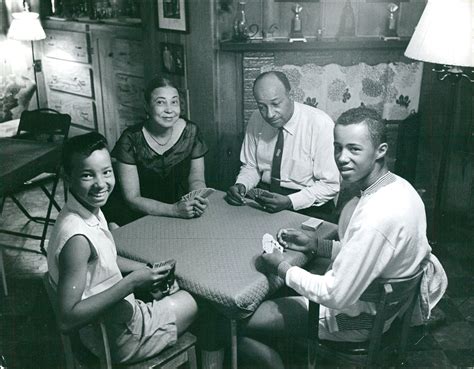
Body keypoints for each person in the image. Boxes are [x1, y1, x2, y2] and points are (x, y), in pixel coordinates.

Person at [238, 106, 448, 368]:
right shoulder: (399, 186)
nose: (342, 157)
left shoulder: (377, 216)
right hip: (390, 308)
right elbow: (369, 255)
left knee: (237, 324)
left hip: (358, 320)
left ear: (380, 150)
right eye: (338, 147)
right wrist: (317, 245)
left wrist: (282, 266)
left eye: (354, 149)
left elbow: (334, 295)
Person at [46, 132, 198, 364]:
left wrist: (145, 269)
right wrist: (133, 282)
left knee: (169, 290)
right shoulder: (77, 240)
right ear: (67, 177)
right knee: (197, 302)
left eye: (106, 172)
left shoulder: (80, 211)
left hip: (106, 325)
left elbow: (104, 260)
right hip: (116, 339)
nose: (100, 184)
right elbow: (66, 319)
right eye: (87, 175)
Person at [226, 71, 340, 221]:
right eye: (262, 106)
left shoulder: (320, 123)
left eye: (275, 104)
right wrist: (242, 185)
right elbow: (251, 166)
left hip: (308, 205)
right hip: (265, 199)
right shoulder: (256, 118)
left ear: (290, 95)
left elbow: (330, 185)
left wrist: (290, 202)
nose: (269, 114)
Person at [103, 77, 209, 226]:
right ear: (147, 107)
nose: (169, 110)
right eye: (160, 102)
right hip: (137, 212)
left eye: (174, 102)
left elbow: (196, 179)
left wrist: (197, 199)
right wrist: (174, 210)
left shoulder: (192, 131)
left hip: (180, 207)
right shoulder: (130, 138)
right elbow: (132, 198)